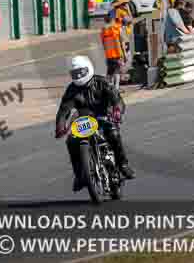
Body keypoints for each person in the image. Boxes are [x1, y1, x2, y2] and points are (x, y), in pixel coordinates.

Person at [54, 56, 135, 192]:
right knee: (71, 141)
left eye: (81, 72)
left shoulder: (102, 82)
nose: (79, 76)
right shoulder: (71, 90)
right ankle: (80, 175)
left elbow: (116, 98)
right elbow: (64, 110)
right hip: (84, 120)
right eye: (75, 74)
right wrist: (60, 126)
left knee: (113, 134)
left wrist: (117, 110)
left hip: (104, 117)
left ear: (89, 68)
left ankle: (123, 164)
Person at [101, 14, 124, 89]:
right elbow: (122, 42)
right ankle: (116, 88)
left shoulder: (103, 31)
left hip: (108, 56)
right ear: (112, 20)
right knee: (117, 72)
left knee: (109, 73)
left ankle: (108, 88)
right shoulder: (117, 28)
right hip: (117, 54)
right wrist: (124, 54)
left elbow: (103, 44)